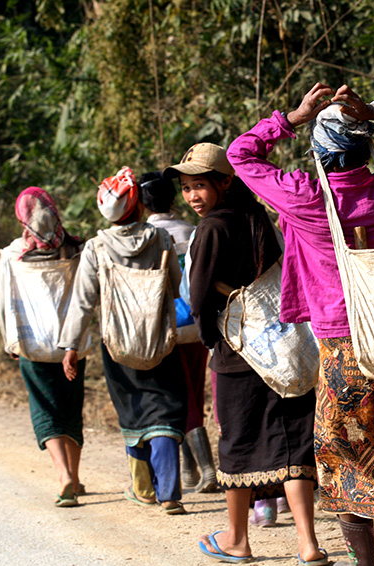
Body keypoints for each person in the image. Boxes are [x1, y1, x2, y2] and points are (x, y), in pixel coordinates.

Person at [227, 83, 374, 566]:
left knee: (346, 464)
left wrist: (293, 115)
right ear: (366, 143)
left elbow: (240, 155)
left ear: (319, 153)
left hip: (342, 352)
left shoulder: (303, 198)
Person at [163, 144, 325, 564]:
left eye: (200, 185)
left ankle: (237, 538)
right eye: (185, 188)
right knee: (293, 442)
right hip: (284, 349)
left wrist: (209, 336)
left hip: (237, 355)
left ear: (225, 182)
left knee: (237, 444)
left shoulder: (212, 229)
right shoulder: (259, 216)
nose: (192, 196)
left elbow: (198, 298)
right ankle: (308, 544)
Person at [59, 166, 189, 515]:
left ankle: (143, 488)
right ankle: (171, 494)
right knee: (165, 410)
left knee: (133, 412)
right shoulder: (160, 240)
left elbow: (83, 301)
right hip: (160, 340)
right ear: (140, 207)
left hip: (116, 344)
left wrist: (71, 346)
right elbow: (176, 286)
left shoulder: (96, 247)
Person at [0, 187, 87, 507]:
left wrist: (10, 337)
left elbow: (4, 300)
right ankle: (74, 476)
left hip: (32, 346)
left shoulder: (12, 255)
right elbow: (86, 296)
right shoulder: (77, 249)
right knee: (70, 406)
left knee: (44, 409)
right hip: (71, 346)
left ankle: (63, 476)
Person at [140, 171, 217, 494]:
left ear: (142, 205)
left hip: (164, 329)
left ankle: (204, 468)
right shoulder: (193, 230)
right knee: (193, 394)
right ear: (173, 199)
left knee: (174, 398)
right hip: (195, 326)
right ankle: (190, 468)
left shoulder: (144, 236)